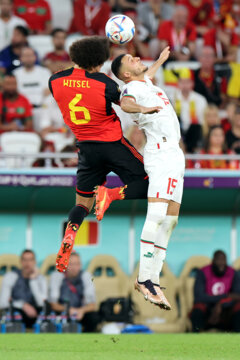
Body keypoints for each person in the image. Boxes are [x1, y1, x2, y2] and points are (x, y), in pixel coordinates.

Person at [49, 36, 169, 273]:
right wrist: (144, 106)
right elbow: (129, 99)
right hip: (114, 146)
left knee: (82, 205)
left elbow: (75, 88)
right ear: (97, 63)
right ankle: (111, 194)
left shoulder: (55, 80)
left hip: (86, 150)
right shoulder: (104, 83)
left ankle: (70, 235)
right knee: (152, 186)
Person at [104, 45, 185, 309]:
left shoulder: (144, 81)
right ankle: (142, 279)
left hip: (174, 154)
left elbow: (146, 74)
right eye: (131, 59)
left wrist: (160, 61)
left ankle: (154, 278)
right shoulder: (133, 90)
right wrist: (143, 110)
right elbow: (127, 103)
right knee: (157, 216)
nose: (137, 58)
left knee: (171, 221)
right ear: (126, 74)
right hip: (160, 153)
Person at [190, 250, 240, 332]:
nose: (221, 263)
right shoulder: (203, 272)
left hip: (226, 310)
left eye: (223, 260)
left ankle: (237, 338)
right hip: (208, 309)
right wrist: (224, 296)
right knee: (198, 308)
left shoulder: (233, 273)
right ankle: (195, 337)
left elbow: (237, 296)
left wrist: (221, 304)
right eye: (218, 260)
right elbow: (198, 297)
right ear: (213, 261)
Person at [49, 252, 100, 332]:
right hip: (62, 311)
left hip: (81, 312)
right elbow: (53, 304)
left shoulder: (86, 276)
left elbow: (92, 305)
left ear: (80, 265)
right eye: (71, 264)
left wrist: (82, 310)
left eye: (77, 264)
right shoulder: (57, 276)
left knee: (94, 317)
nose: (74, 267)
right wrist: (68, 310)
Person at [0, 249, 47, 328]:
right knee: (12, 312)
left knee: (44, 313)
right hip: (17, 314)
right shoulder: (11, 276)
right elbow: (2, 303)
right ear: (21, 262)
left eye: (30, 260)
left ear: (35, 262)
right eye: (24, 260)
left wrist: (33, 280)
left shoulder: (41, 279)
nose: (27, 263)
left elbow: (42, 303)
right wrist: (23, 305)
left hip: (35, 315)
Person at [13, 46, 51, 131]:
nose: (28, 58)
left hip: (41, 110)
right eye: (25, 56)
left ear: (35, 57)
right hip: (22, 112)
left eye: (30, 55)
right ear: (21, 58)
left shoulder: (44, 72)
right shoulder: (15, 74)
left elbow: (48, 91)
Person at [173, 68, 207, 152]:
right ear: (178, 83)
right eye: (182, 82)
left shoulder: (200, 99)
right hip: (177, 132)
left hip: (194, 133)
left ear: (192, 83)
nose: (185, 85)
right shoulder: (172, 98)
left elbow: (202, 122)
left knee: (197, 128)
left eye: (187, 82)